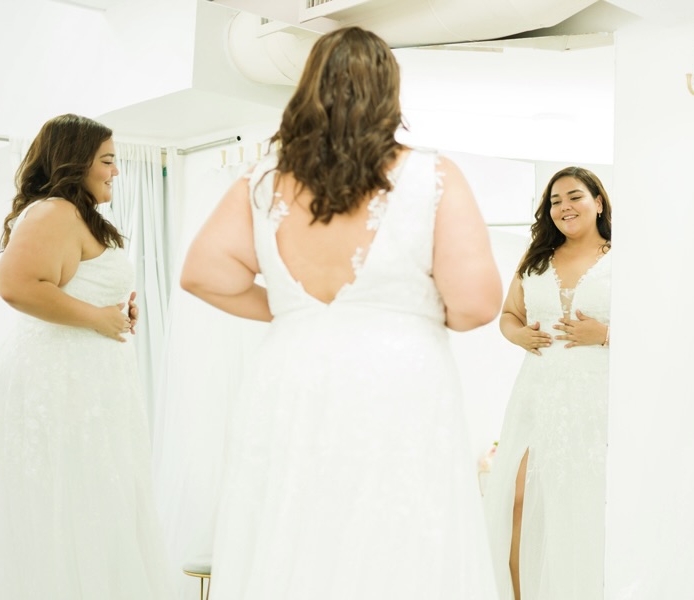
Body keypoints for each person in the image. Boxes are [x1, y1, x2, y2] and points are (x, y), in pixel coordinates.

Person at [180, 26, 502, 598]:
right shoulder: (434, 177)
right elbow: (476, 306)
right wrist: (411, 313)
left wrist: (290, 311)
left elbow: (203, 274)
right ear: (389, 94)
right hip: (399, 378)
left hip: (294, 373)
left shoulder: (262, 182)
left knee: (297, 527)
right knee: (397, 534)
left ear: (307, 90)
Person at [0, 113, 172, 599]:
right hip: (59, 380)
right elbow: (16, 285)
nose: (115, 171)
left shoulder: (73, 215)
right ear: (75, 162)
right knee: (72, 504)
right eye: (106, 160)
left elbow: (69, 282)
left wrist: (116, 309)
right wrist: (97, 318)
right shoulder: (54, 210)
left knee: (95, 503)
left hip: (88, 379)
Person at [482, 167, 613, 600]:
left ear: (598, 201)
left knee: (583, 508)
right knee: (518, 500)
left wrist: (607, 335)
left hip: (597, 399)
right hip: (537, 397)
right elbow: (507, 316)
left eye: (574, 196)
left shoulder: (623, 259)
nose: (564, 207)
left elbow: (661, 334)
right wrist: (517, 334)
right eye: (555, 201)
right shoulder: (535, 259)